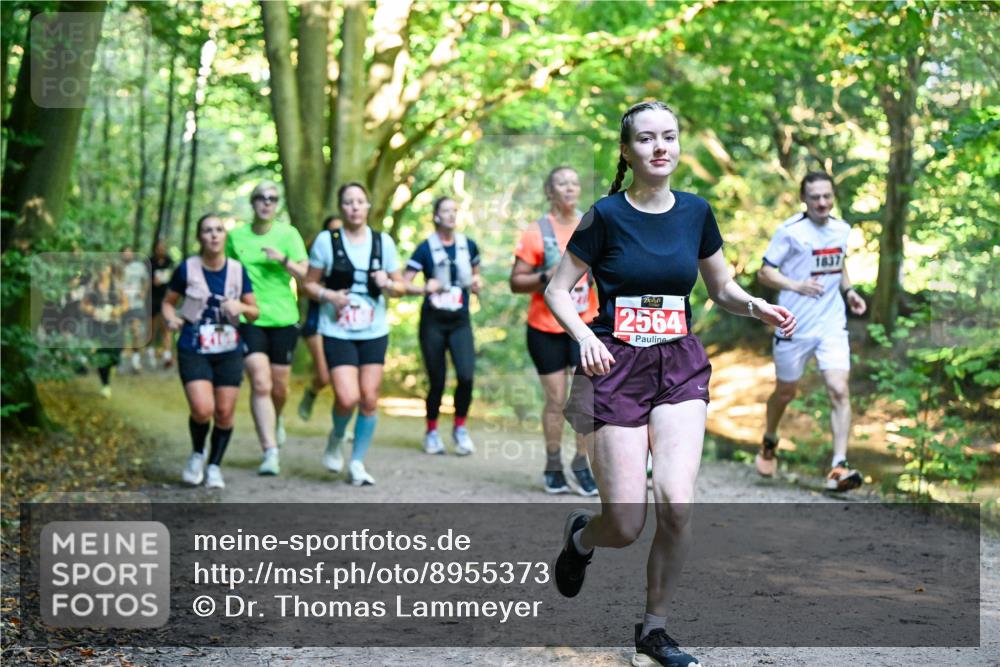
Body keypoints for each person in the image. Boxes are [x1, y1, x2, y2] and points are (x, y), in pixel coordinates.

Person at [545, 101, 796, 667]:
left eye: (669, 136)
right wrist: (583, 337)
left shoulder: (696, 212)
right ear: (627, 150)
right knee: (625, 524)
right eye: (646, 139)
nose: (660, 147)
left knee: (677, 504)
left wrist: (756, 306)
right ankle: (582, 538)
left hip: (678, 364)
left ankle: (654, 632)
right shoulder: (605, 215)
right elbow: (558, 290)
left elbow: (721, 288)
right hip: (614, 366)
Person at [756, 171, 867, 491]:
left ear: (833, 197)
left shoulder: (841, 229)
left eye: (827, 196)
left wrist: (849, 291)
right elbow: (765, 272)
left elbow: (839, 264)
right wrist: (796, 285)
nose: (822, 202)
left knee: (839, 389)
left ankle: (838, 466)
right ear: (803, 199)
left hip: (831, 323)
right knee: (786, 392)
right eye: (815, 197)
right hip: (794, 323)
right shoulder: (790, 231)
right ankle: (770, 439)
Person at [303, 182, 403, 486]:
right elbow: (308, 284)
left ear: (368, 206)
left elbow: (399, 288)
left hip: (374, 330)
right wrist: (329, 296)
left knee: (369, 398)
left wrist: (388, 283)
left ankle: (357, 462)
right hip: (337, 330)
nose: (355, 207)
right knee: (347, 398)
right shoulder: (326, 241)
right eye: (348, 202)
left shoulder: (383, 243)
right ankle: (336, 438)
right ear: (341, 207)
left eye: (360, 201)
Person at [510, 166, 600, 496]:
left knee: (584, 399)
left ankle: (581, 463)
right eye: (562, 183)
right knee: (556, 399)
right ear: (550, 191)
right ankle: (552, 464)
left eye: (574, 183)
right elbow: (515, 282)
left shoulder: (593, 225)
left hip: (584, 326)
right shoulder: (537, 231)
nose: (570, 188)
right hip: (545, 328)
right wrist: (544, 277)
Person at [162, 214, 258, 489]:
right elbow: (168, 303)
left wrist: (241, 307)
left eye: (218, 230)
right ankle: (197, 453)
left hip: (229, 349)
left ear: (225, 236)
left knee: (224, 412)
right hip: (194, 346)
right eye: (207, 230)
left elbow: (254, 312)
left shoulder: (238, 270)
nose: (214, 235)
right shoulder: (187, 268)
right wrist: (171, 319)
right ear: (199, 237)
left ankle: (214, 466)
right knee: (203, 409)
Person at [225, 181, 309, 475]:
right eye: (261, 197)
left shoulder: (289, 235)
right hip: (250, 318)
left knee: (279, 387)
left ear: (277, 204)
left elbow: (307, 274)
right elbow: (227, 274)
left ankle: (278, 416)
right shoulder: (236, 237)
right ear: (253, 202)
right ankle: (270, 452)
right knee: (261, 383)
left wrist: (283, 260)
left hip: (284, 318)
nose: (267, 202)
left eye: (272, 198)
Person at [401, 196, 483, 455]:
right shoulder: (425, 248)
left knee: (466, 376)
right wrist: (425, 288)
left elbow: (476, 275)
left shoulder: (468, 245)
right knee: (437, 380)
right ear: (436, 216)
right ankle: (432, 431)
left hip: (460, 321)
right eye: (445, 211)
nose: (451, 215)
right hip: (433, 322)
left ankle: (460, 428)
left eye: (454, 210)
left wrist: (477, 284)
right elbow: (403, 284)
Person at [297, 216, 342, 422]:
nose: (337, 236)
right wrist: (326, 292)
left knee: (343, 380)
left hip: (343, 325)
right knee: (324, 376)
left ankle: (340, 425)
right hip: (316, 323)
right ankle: (312, 392)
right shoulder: (316, 259)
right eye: (332, 232)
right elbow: (303, 290)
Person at [80, 263, 126, 398]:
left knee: (116, 351)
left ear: (110, 269)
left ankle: (113, 364)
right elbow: (83, 305)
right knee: (102, 354)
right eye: (100, 267)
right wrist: (91, 309)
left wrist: (118, 310)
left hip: (114, 325)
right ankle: (105, 385)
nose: (103, 270)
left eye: (105, 267)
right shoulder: (92, 286)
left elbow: (125, 304)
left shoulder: (117, 285)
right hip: (97, 325)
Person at [120, 246, 149, 372]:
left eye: (129, 252)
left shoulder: (139, 266)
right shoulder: (117, 267)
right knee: (120, 332)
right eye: (125, 253)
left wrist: (143, 292)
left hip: (136, 303)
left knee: (136, 331)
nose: (128, 255)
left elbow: (146, 280)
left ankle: (135, 361)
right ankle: (120, 360)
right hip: (121, 304)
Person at [149, 238, 175, 369]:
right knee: (152, 328)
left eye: (163, 247)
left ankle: (167, 355)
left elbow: (174, 279)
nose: (161, 250)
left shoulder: (169, 262)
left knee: (166, 326)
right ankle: (150, 353)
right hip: (152, 298)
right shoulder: (150, 261)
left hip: (166, 299)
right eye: (159, 247)